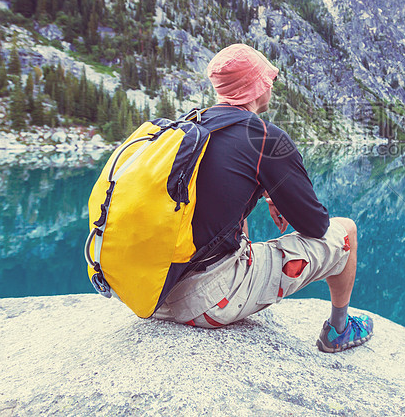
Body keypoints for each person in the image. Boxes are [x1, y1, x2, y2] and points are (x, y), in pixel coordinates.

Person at [152, 43, 373, 353]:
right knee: (345, 230)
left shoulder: (192, 127)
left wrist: (268, 190)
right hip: (206, 302)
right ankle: (339, 330)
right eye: (269, 79)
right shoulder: (264, 138)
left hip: (153, 291)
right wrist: (280, 192)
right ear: (257, 86)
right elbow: (316, 225)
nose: (271, 85)